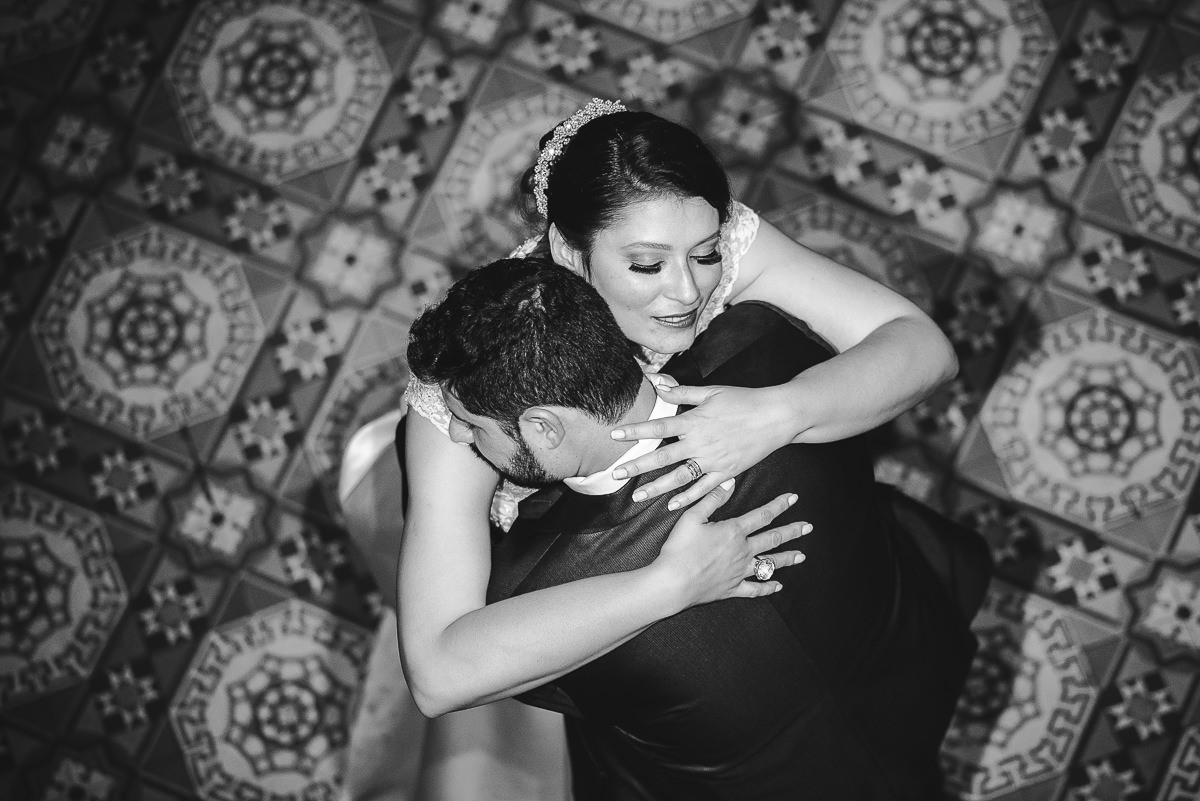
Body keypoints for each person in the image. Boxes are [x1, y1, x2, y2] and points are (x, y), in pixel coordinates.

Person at [395, 98, 960, 725]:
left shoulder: (698, 242)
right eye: (645, 265)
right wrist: (666, 586)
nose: (688, 291)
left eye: (706, 253)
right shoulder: (470, 396)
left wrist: (781, 411)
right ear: (568, 251)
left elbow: (922, 346)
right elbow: (439, 674)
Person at [405, 256, 988, 799]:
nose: (455, 438)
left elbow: (468, 676)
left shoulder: (529, 587)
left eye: (469, 424)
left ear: (545, 429)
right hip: (908, 661)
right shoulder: (768, 347)